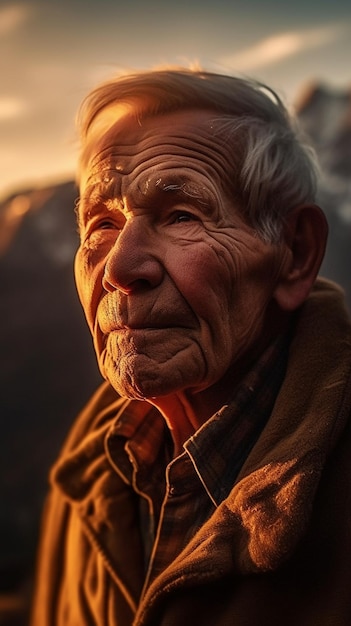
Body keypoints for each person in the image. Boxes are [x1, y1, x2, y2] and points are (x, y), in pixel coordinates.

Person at [30, 68, 351, 626]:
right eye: (101, 224)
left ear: (295, 253)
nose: (120, 269)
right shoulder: (90, 467)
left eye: (181, 215)